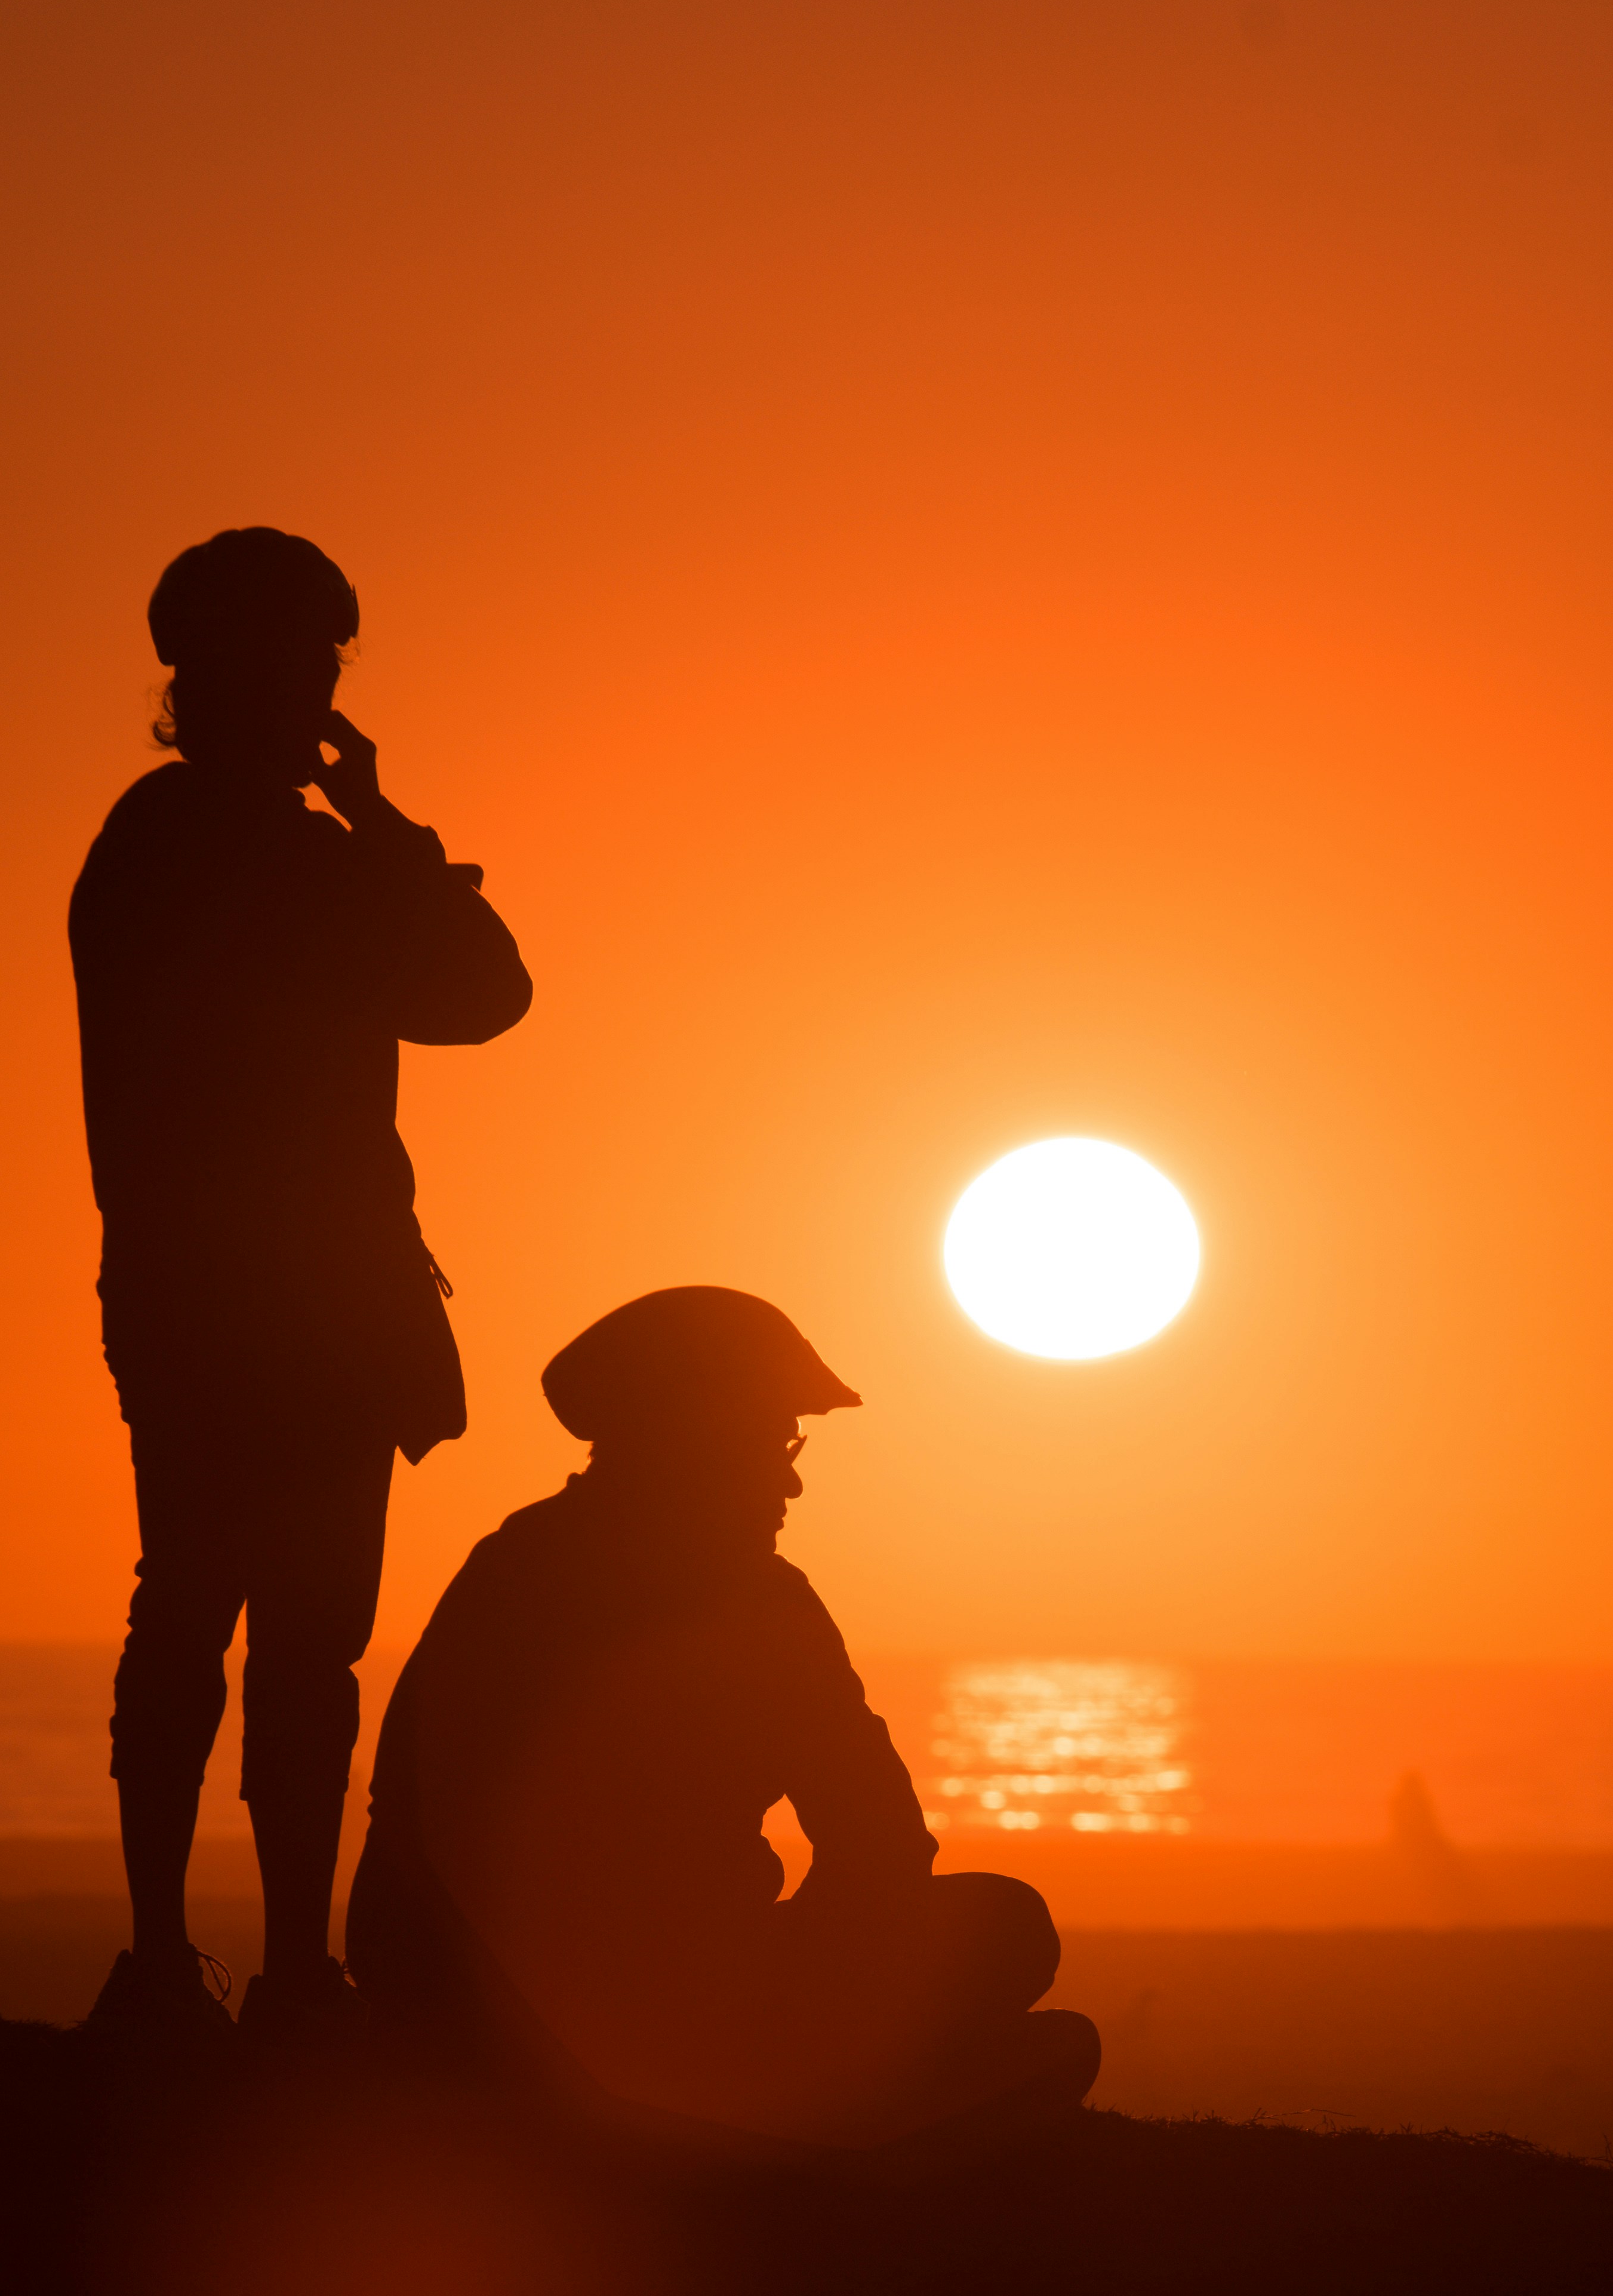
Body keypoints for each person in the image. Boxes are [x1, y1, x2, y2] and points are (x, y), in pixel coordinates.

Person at [71, 527, 531, 2045]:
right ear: (223, 678)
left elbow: (474, 995)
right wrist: (385, 828)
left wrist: (374, 835)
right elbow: (483, 991)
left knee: (232, 1624)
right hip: (278, 1307)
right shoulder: (242, 856)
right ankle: (244, 1969)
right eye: (303, 658)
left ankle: (224, 1964)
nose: (318, 680)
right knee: (252, 1629)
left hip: (251, 1304)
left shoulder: (158, 846)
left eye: (324, 656)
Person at [347, 1287, 1101, 2144]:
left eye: (790, 1442)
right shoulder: (716, 1599)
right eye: (768, 1440)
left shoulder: (521, 1568)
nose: (791, 1478)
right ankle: (791, 2133)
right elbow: (879, 1845)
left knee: (1006, 1927)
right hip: (550, 2012)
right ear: (688, 1439)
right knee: (1014, 1957)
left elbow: (881, 1839)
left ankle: (762, 2121)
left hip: (517, 2009)